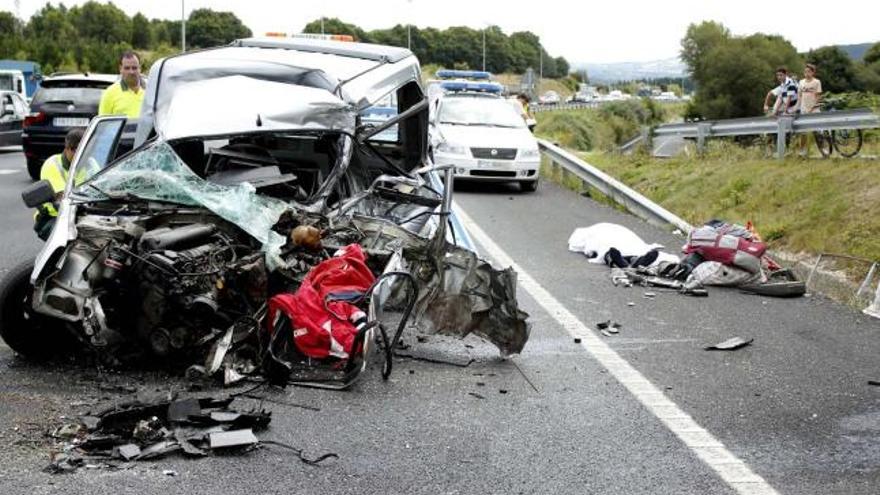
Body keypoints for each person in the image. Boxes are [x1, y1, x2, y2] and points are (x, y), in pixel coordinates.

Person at [34, 128, 85, 240]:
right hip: (53, 218)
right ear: (68, 149)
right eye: (79, 151)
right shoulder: (53, 164)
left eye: (86, 150)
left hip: (81, 214)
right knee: (70, 240)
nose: (82, 155)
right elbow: (63, 198)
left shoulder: (89, 162)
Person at [98, 50, 145, 118]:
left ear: (140, 68)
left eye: (134, 68)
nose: (131, 72)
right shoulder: (109, 93)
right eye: (127, 68)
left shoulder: (151, 92)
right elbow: (103, 125)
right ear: (120, 69)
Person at [796, 63, 823, 155]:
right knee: (803, 131)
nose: (807, 73)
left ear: (813, 72)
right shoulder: (801, 82)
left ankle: (822, 149)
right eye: (805, 72)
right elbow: (799, 95)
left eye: (809, 72)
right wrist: (798, 107)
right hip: (804, 109)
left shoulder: (817, 82)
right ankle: (802, 151)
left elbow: (819, 97)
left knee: (817, 131)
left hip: (814, 109)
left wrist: (812, 108)